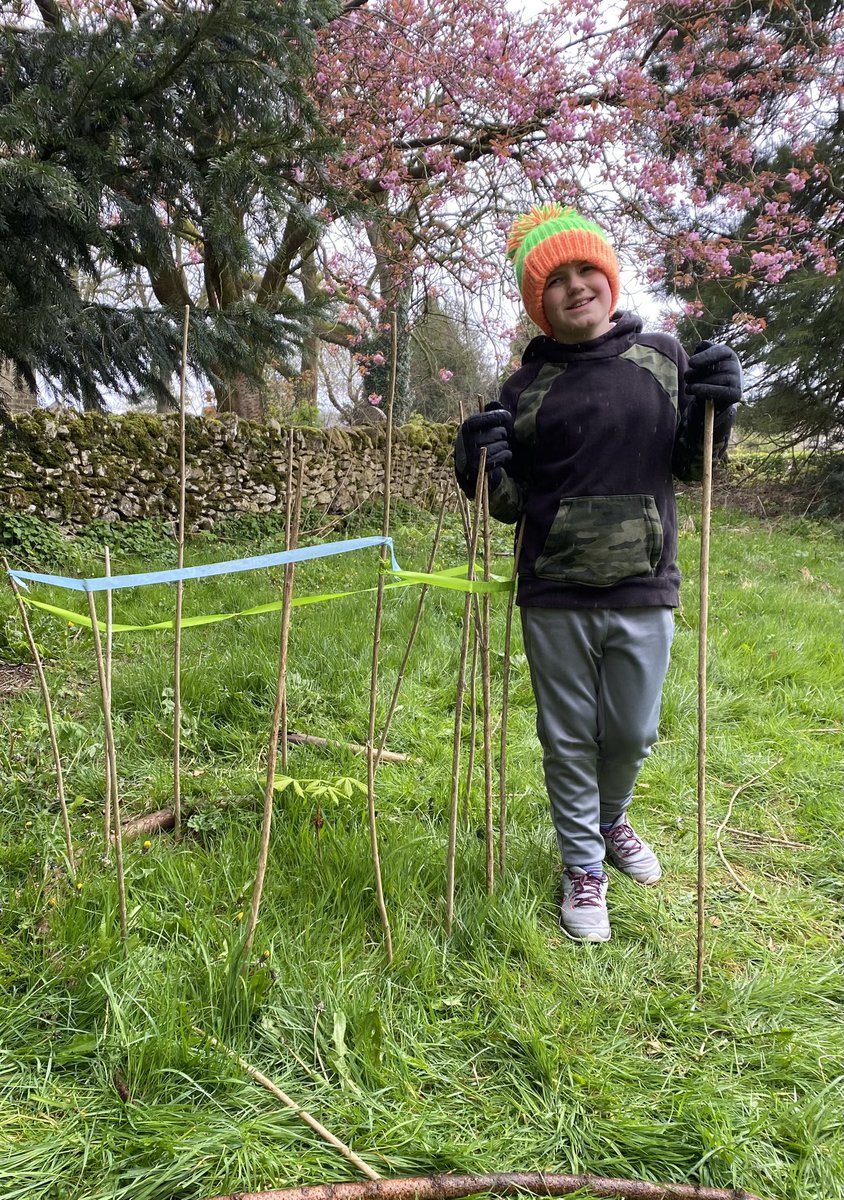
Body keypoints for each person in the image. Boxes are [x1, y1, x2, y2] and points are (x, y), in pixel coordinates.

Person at [454, 204, 741, 942]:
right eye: (556, 281)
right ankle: (582, 862)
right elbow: (510, 507)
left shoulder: (664, 357)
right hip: (552, 592)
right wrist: (478, 470)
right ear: (537, 303)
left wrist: (720, 410)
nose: (575, 286)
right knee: (568, 736)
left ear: (609, 279)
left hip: (646, 584)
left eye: (588, 270)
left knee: (633, 732)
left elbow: (693, 467)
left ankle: (611, 820)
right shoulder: (523, 391)